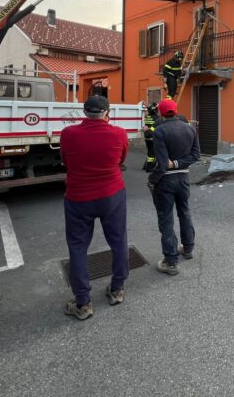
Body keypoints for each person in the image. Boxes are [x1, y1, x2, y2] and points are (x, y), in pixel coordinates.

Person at [59, 95, 130, 320]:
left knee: (78, 247)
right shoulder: (118, 133)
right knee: (118, 240)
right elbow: (121, 159)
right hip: (112, 194)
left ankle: (82, 303)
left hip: (79, 197)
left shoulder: (68, 134)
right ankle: (117, 289)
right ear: (107, 113)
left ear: (84, 112)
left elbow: (65, 162)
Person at [149, 99, 201, 275]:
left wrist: (153, 179)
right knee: (184, 213)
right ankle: (188, 249)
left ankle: (171, 262)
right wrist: (179, 163)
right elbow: (196, 155)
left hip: (166, 181)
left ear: (162, 113)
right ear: (176, 110)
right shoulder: (189, 128)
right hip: (183, 179)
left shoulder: (160, 131)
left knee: (166, 219)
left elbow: (163, 164)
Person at [142, 102, 160, 171]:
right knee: (152, 153)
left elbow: (148, 126)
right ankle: (149, 167)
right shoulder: (157, 118)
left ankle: (146, 166)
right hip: (153, 138)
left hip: (147, 137)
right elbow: (155, 127)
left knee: (149, 152)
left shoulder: (147, 117)